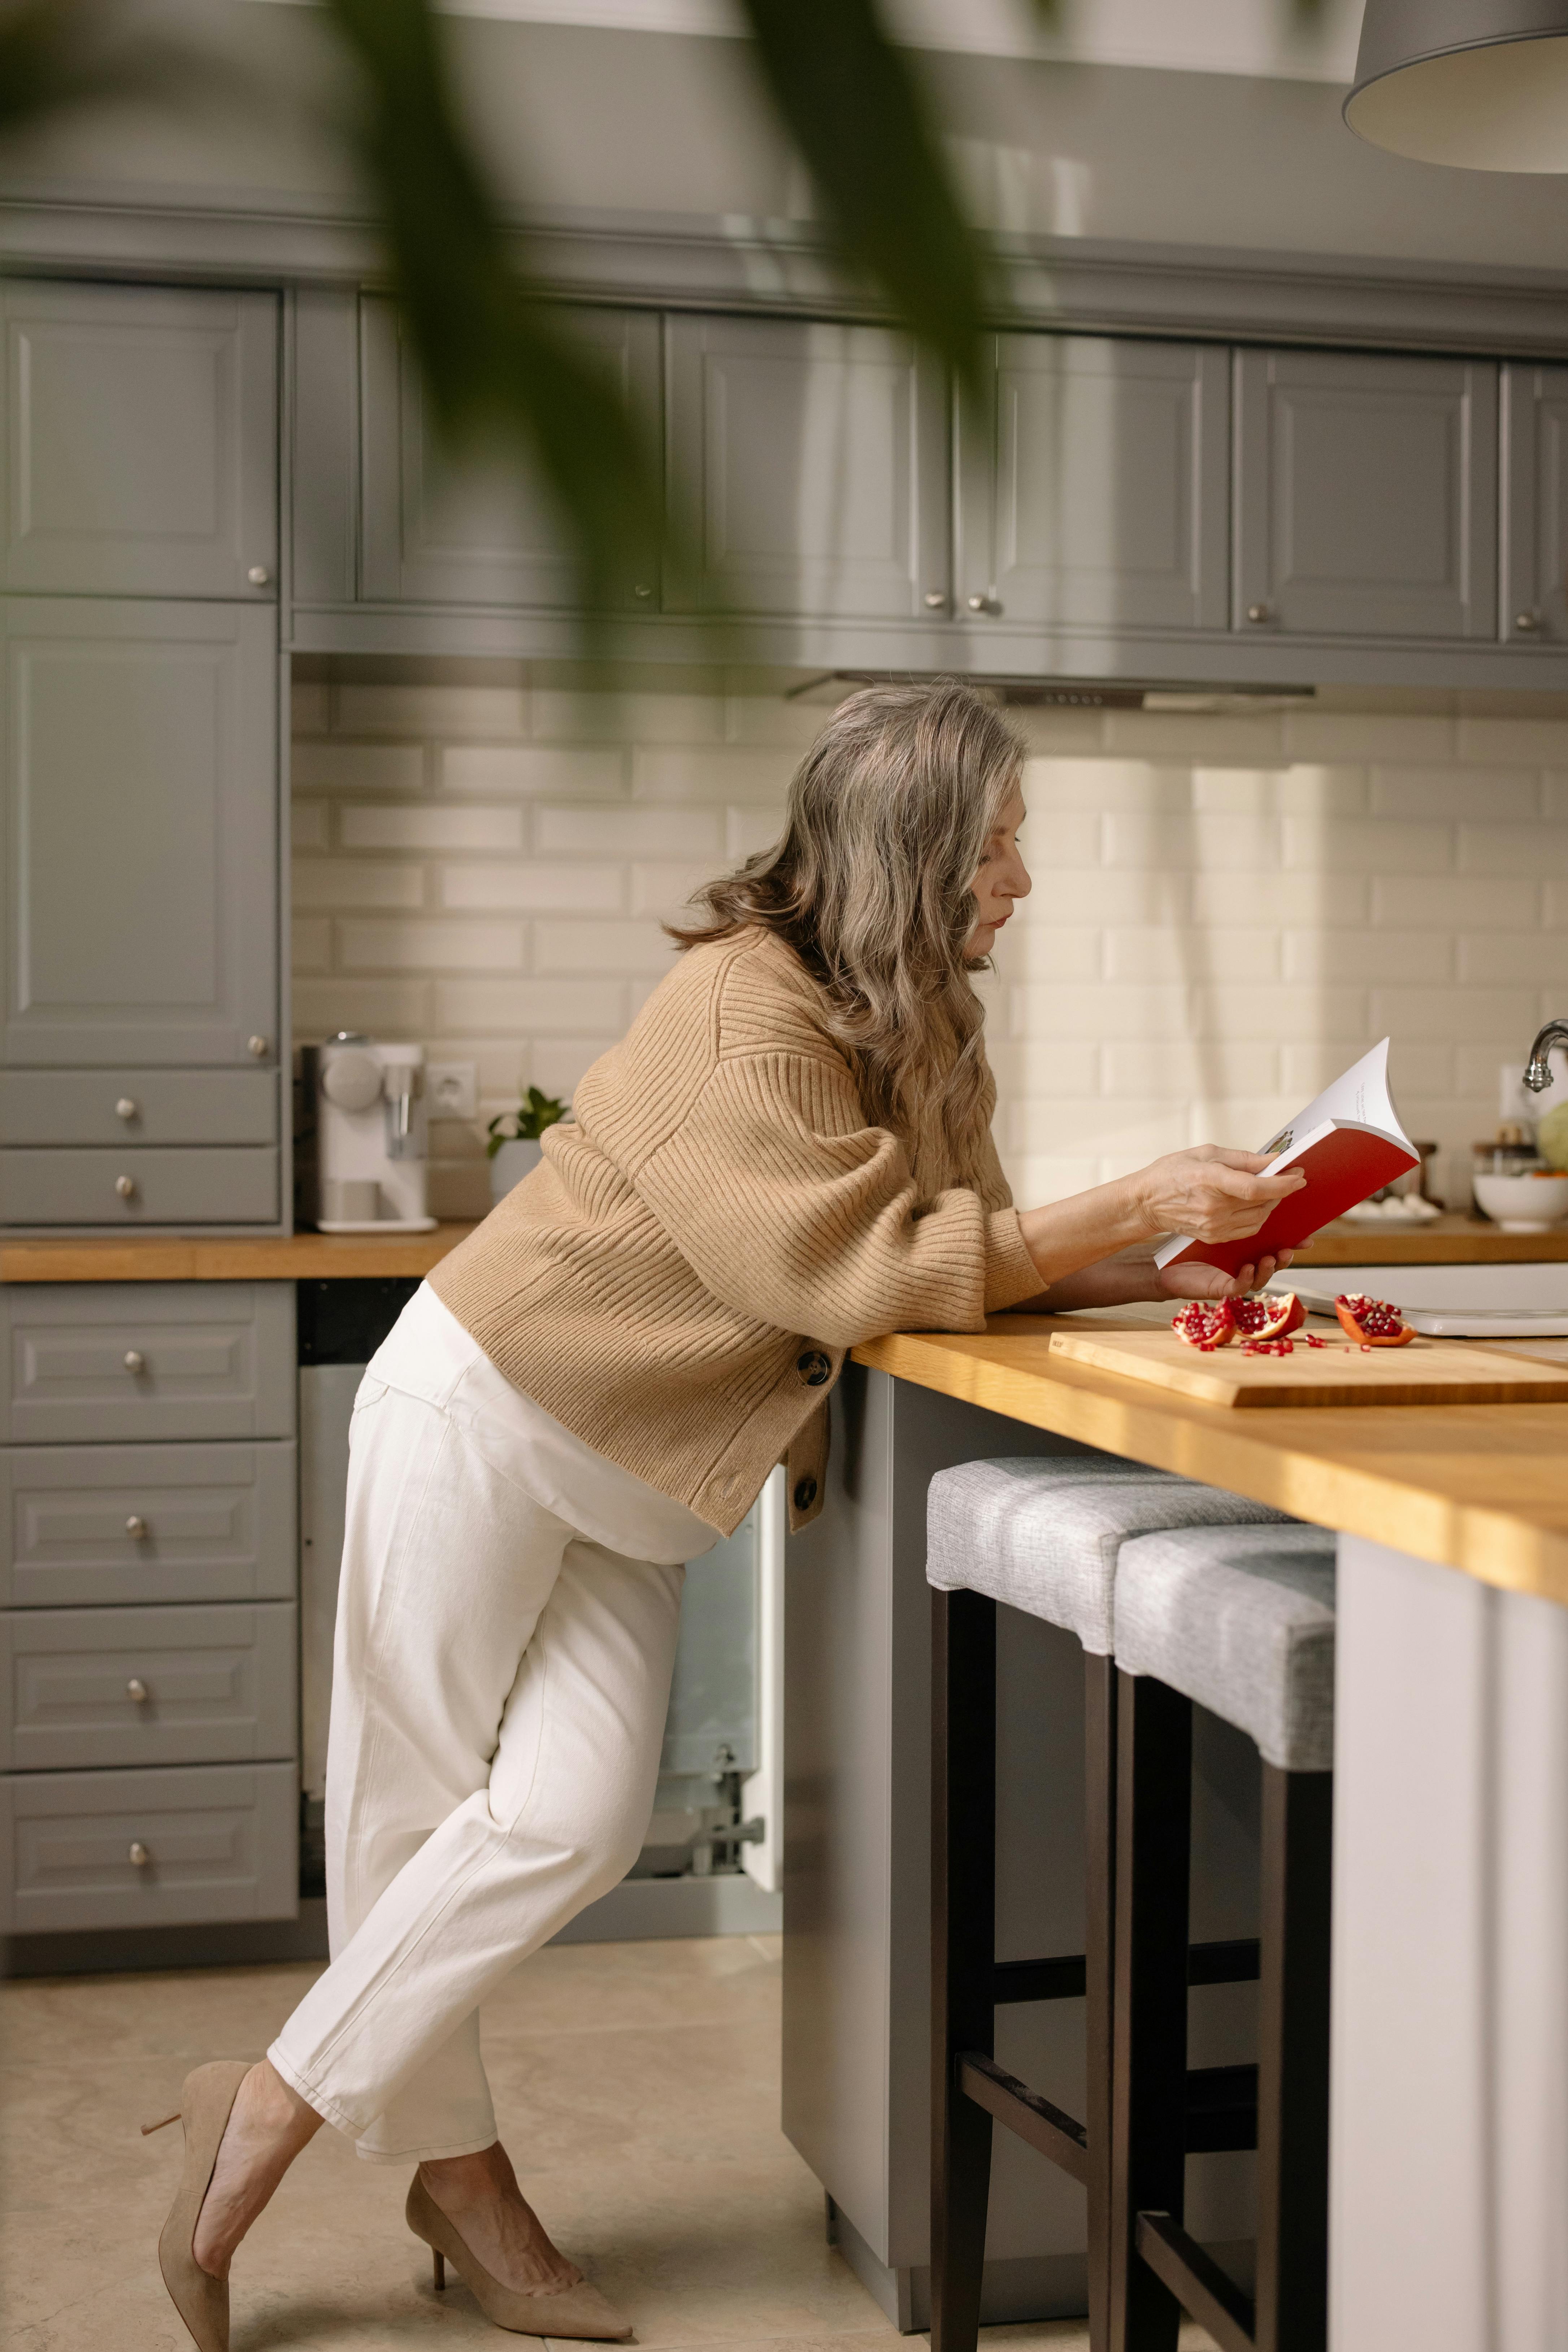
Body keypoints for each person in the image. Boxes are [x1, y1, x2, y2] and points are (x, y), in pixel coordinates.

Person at [147, 681, 1303, 2349]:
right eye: (1001, 848)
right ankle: (421, 2177)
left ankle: (260, 2099)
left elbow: (954, 1248)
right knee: (410, 1809)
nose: (1022, 884)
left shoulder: (910, 1021)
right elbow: (848, 1270)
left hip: (633, 1482)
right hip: (487, 1405)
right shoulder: (737, 1012)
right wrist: (1127, 1196)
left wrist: (1187, 1257)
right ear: (915, 857)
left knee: (572, 1819)